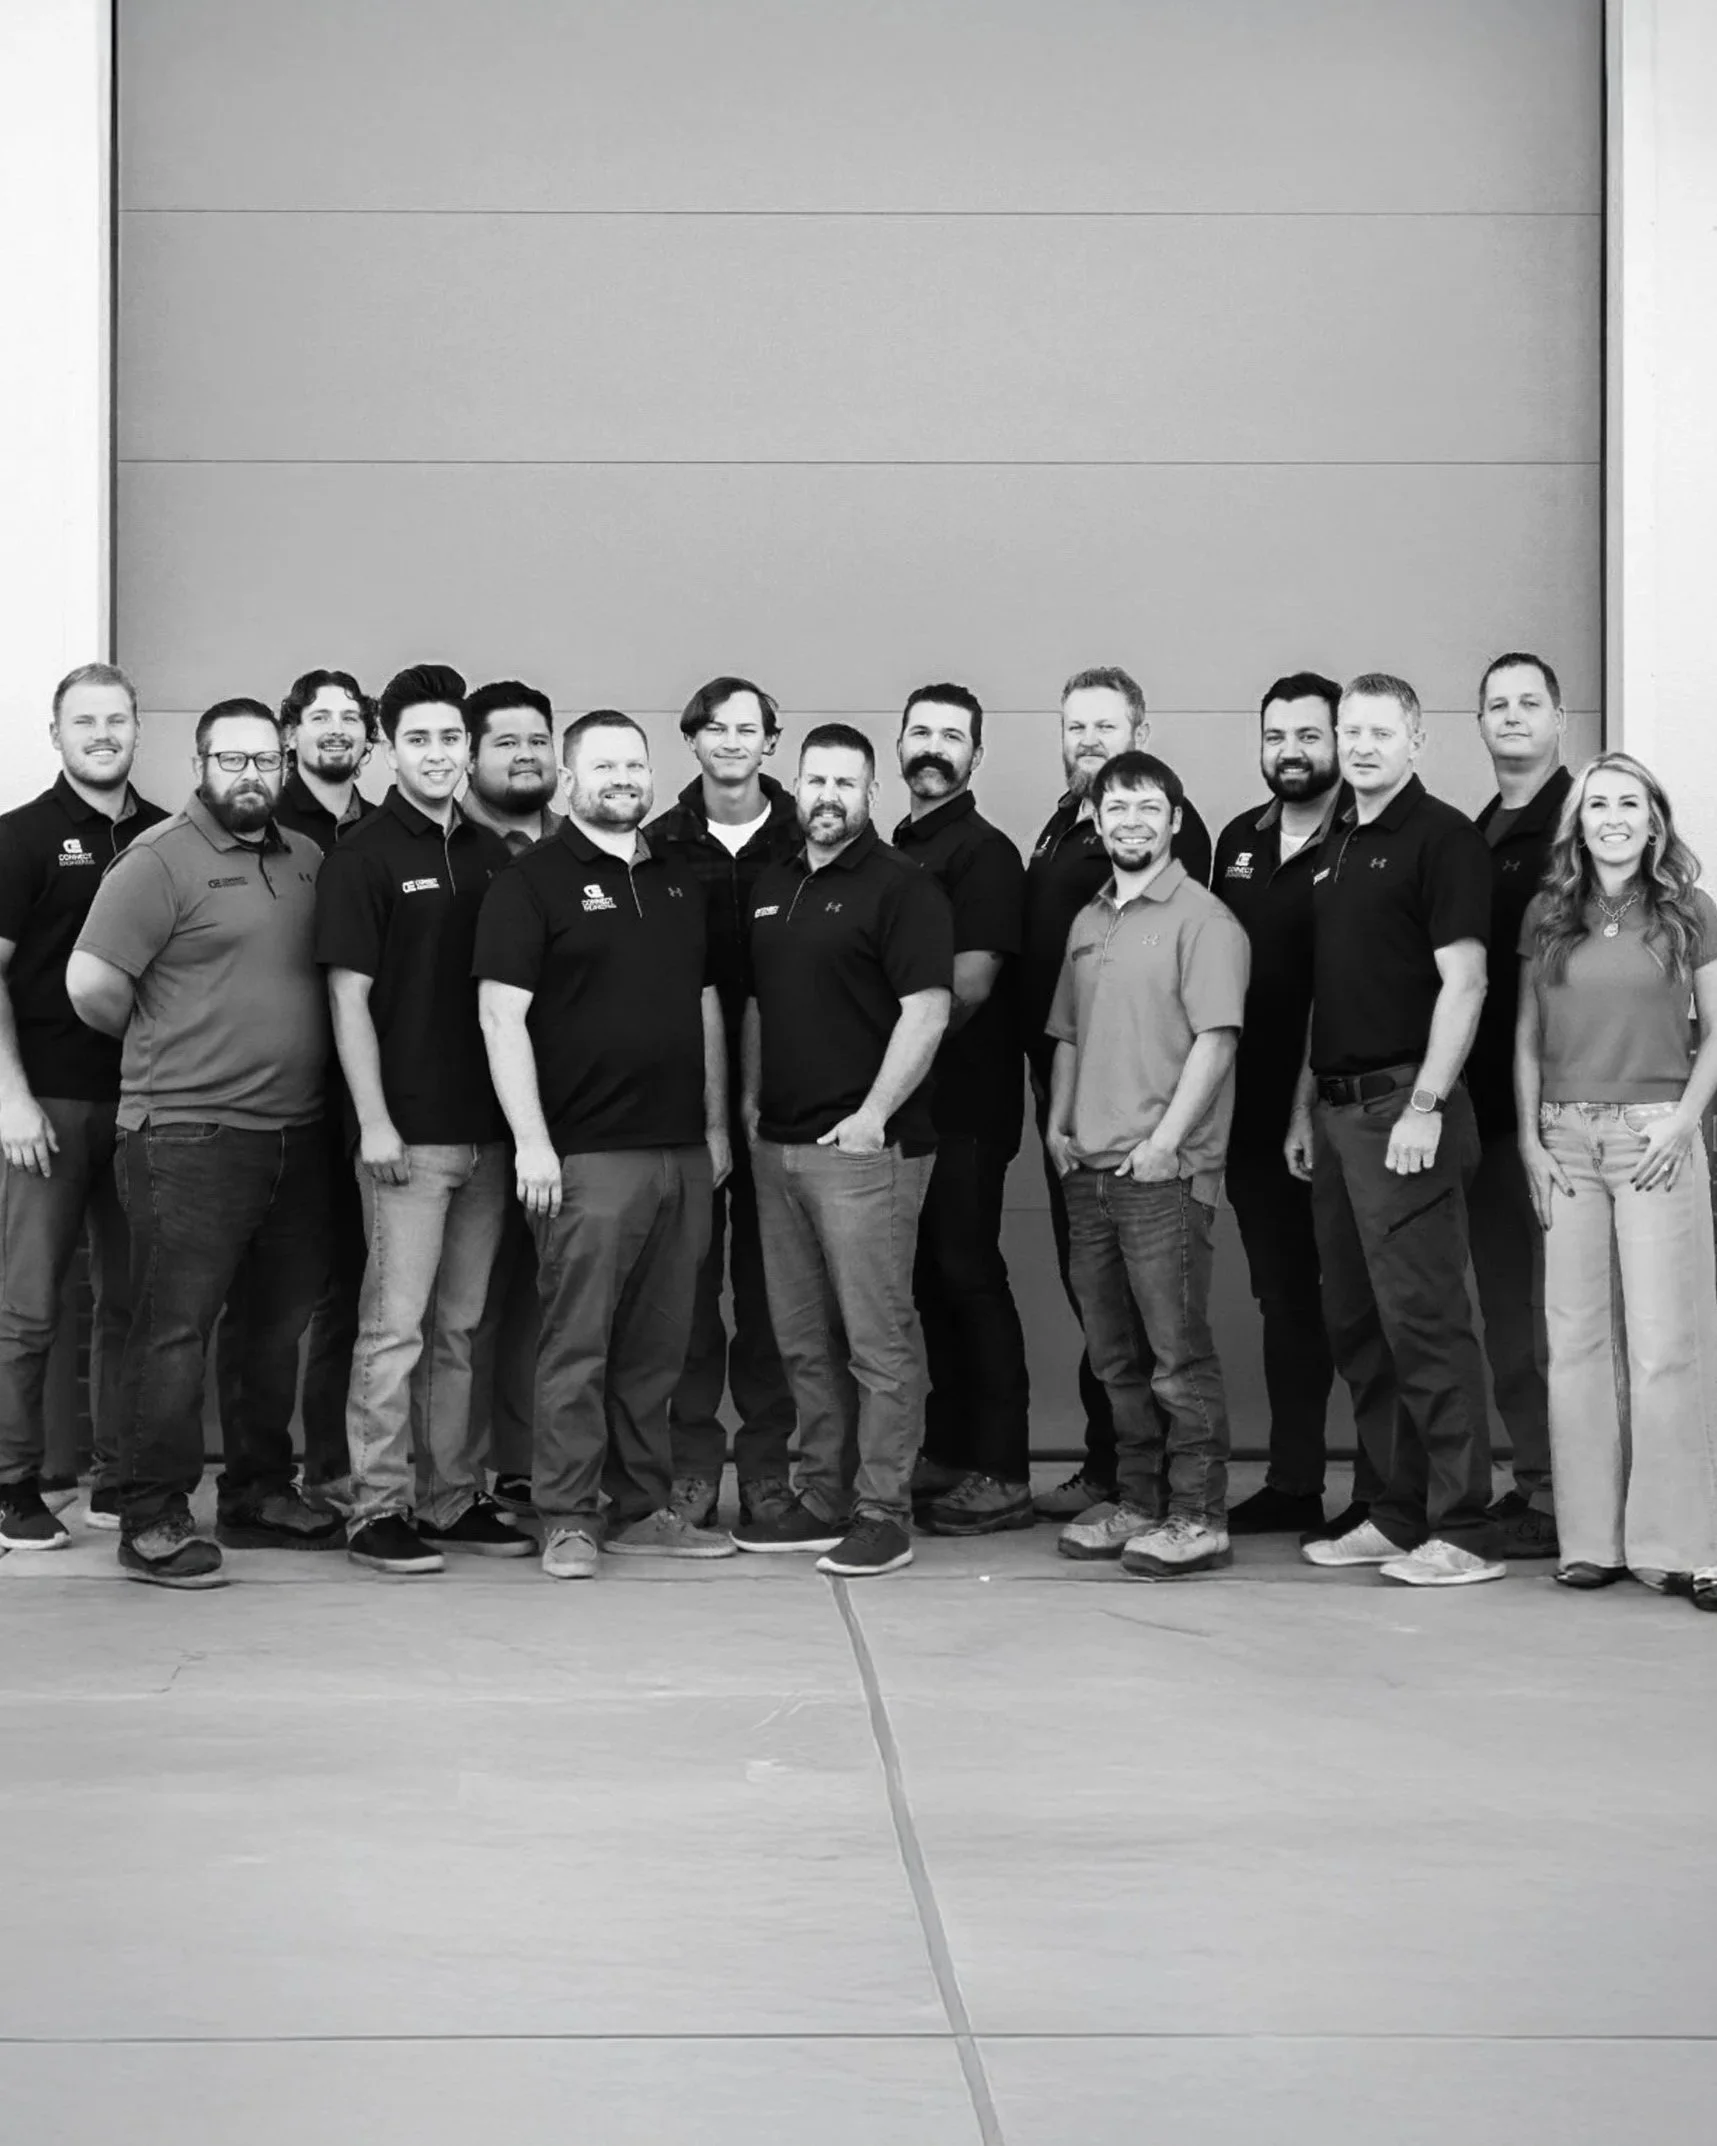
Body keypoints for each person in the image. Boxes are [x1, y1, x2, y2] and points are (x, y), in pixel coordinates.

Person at [67, 698, 337, 1587]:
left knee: (274, 1328)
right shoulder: (157, 861)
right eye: (233, 760)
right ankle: (149, 1514)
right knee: (173, 1330)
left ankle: (259, 1493)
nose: (251, 775)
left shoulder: (305, 858)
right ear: (200, 762)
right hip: (186, 1134)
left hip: (294, 1134)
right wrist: (167, 1047)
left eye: (266, 760)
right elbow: (92, 984)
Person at [475, 710, 736, 1579]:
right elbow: (499, 1015)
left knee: (658, 1348)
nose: (623, 779)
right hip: (584, 1157)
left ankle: (638, 1506)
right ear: (570, 776)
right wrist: (532, 1144)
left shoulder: (675, 880)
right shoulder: (532, 882)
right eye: (604, 766)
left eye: (634, 764)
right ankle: (566, 1515)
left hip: (679, 1156)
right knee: (576, 1344)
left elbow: (703, 1006)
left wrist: (711, 1128)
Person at [1288, 673, 1502, 1587]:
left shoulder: (1441, 838)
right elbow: (1328, 990)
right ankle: (1394, 1511)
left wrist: (1424, 1106)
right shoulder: (1338, 842)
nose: (1361, 745)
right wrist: (1303, 1106)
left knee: (1425, 1323)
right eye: (1350, 731)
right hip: (1338, 1116)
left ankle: (1466, 1526)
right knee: (1360, 1326)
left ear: (1415, 740)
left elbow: (1467, 983)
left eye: (1380, 730)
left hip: (1403, 1113)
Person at [316, 664, 523, 1576]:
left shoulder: (489, 855)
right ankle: (377, 1507)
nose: (439, 755)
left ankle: (448, 1497)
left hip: (487, 1134)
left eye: (451, 739)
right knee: (393, 1327)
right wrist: (374, 1122)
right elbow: (346, 998)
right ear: (386, 749)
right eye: (421, 740)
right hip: (406, 1137)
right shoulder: (363, 857)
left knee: (460, 1326)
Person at [734, 723, 953, 1577]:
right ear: (795, 785)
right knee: (801, 1340)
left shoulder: (903, 888)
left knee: (876, 1338)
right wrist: (752, 1102)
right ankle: (821, 1497)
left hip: (865, 1152)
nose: (828, 796)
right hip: (777, 1148)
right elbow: (758, 1004)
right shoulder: (770, 883)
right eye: (815, 781)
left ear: (871, 794)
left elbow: (926, 1009)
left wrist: (871, 1115)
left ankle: (881, 1510)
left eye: (845, 783)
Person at [1516, 754, 1717, 1608]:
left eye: (1626, 803)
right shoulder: (1548, 913)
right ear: (1578, 822)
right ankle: (1590, 1540)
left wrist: (1681, 1120)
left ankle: (1675, 1546)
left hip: (1653, 1136)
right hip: (1563, 1137)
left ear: (1652, 819)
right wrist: (1528, 1140)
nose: (1610, 817)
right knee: (1575, 1346)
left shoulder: (1686, 912)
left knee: (1667, 1345)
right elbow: (1525, 1037)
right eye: (1595, 804)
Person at [1047, 751, 1248, 1577]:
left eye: (1146, 807)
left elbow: (1217, 1038)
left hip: (1162, 1176)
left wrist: (1166, 1142)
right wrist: (1056, 1127)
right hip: (1087, 1169)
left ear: (1173, 820)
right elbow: (1065, 1034)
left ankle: (1198, 1515)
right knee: (1115, 1359)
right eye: (1115, 807)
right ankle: (1137, 1501)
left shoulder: (1205, 920)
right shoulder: (1088, 920)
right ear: (1094, 820)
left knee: (1176, 1358)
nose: (1129, 821)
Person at [1022, 667, 1212, 1519]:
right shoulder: (1065, 831)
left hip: (1148, 1129)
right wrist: (1058, 1115)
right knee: (1103, 1314)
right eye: (1075, 727)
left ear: (1140, 730)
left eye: (1105, 726)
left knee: (1159, 1333)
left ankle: (1182, 1502)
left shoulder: (1171, 849)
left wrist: (1166, 1134)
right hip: (1076, 1116)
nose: (1088, 740)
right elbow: (1066, 1010)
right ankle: (1120, 1481)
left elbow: (1199, 1020)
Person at [1212, 673, 1384, 1540]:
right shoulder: (1236, 841)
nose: (1292, 750)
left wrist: (1299, 1110)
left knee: (1357, 1301)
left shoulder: (1368, 838)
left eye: (1308, 735)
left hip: (1332, 1110)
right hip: (1246, 1116)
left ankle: (1380, 1488)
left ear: (1340, 742)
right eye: (1276, 734)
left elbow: (1340, 987)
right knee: (1284, 1301)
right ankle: (1291, 1478)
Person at [0, 663, 166, 1549]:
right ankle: (11, 1484)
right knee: (28, 1306)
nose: (102, 734)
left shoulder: (171, 835)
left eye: (116, 719)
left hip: (144, 1107)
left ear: (138, 729)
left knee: (131, 1304)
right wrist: (10, 1098)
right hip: (48, 1108)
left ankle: (119, 1478)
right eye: (84, 721)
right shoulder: (20, 838)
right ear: (56, 735)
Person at [216, 667, 381, 1521]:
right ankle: (257, 1476)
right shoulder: (266, 826)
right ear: (290, 734)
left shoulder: (385, 829)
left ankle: (332, 1464)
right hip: (277, 1102)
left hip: (364, 1102)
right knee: (273, 1305)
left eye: (351, 718)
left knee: (352, 1291)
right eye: (319, 717)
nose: (336, 730)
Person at [646, 677, 799, 1530]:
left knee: (773, 1295)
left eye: (749, 728)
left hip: (789, 1094)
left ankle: (769, 1468)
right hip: (685, 1095)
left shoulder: (804, 835)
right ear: (693, 739)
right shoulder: (657, 842)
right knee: (690, 1294)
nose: (733, 740)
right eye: (716, 727)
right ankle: (690, 1468)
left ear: (770, 743)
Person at [890, 684, 1033, 1536]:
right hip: (909, 1111)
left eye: (952, 735)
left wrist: (879, 1057)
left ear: (976, 755)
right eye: (920, 732)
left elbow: (971, 985)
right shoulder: (897, 845)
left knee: (967, 1274)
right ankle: (948, 1449)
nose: (934, 746)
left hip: (964, 1107)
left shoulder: (983, 851)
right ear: (899, 744)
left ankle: (1003, 1469)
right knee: (927, 1284)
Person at [1467, 652, 1570, 1560]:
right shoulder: (1475, 830)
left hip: (1571, 1112)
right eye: (1495, 706)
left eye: (1526, 704)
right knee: (1508, 1311)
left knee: (1569, 1313)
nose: (1510, 718)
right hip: (1489, 1110)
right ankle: (1537, 1484)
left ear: (1558, 719)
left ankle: (1585, 1489)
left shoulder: (1584, 822)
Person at [458, 678, 565, 1514]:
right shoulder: (447, 848)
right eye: (506, 741)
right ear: (470, 755)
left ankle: (532, 1464)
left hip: (574, 1121)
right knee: (466, 1308)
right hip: (461, 1119)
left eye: (538, 739)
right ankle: (459, 1478)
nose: (526, 754)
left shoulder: (583, 847)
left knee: (548, 1302)